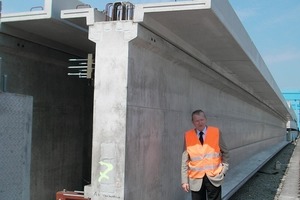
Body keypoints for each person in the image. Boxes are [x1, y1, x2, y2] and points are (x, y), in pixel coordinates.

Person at [181, 110, 229, 200]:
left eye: (202, 120)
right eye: (197, 121)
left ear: (206, 120)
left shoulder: (216, 132)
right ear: (193, 122)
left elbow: (225, 152)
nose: (200, 123)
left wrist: (224, 170)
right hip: (196, 179)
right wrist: (184, 181)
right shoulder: (188, 135)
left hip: (214, 177)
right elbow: (185, 160)